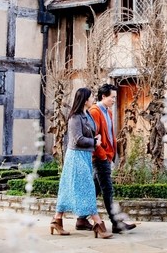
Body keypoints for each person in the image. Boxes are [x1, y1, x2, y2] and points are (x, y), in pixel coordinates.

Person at [50, 87, 113, 239]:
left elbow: (91, 131)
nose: (93, 99)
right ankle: (97, 222)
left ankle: (56, 220)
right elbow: (77, 139)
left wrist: (95, 139)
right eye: (91, 97)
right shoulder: (74, 118)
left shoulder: (87, 114)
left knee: (68, 189)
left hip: (85, 156)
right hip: (76, 157)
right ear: (85, 100)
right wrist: (95, 142)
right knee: (88, 188)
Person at [75, 83, 137, 233]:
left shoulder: (107, 112)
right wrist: (102, 155)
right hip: (100, 157)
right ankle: (116, 223)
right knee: (107, 189)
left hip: (107, 156)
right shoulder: (95, 112)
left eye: (115, 97)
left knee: (95, 188)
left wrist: (111, 154)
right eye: (112, 97)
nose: (114, 100)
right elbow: (93, 136)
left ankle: (81, 219)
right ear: (103, 96)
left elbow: (108, 134)